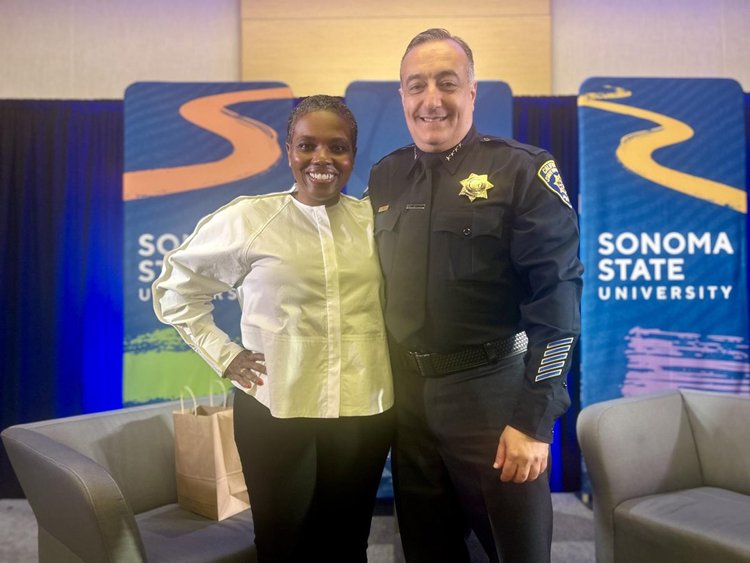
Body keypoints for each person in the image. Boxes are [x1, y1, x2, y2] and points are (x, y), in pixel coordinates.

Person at [366, 29, 584, 563]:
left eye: (447, 83)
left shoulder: (523, 170)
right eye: (416, 86)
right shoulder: (385, 176)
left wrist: (534, 421)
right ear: (401, 96)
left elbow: (557, 302)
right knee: (425, 552)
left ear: (471, 91)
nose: (431, 99)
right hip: (409, 406)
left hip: (492, 401)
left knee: (516, 553)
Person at [153, 95, 394, 563]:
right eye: (307, 146)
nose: (321, 159)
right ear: (288, 151)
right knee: (283, 543)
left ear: (352, 155)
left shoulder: (374, 222)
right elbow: (175, 291)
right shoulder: (249, 219)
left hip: (364, 413)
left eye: (336, 147)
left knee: (348, 544)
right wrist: (225, 355)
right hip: (275, 411)